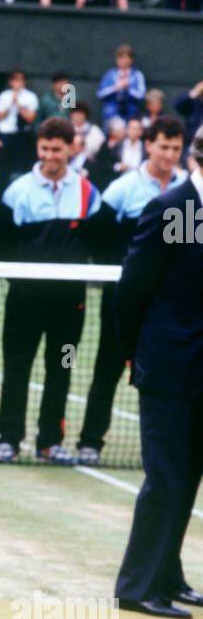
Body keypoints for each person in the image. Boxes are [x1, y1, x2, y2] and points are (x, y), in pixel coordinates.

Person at [113, 129, 203, 619]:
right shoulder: (173, 207)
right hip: (168, 365)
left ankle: (167, 576)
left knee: (188, 476)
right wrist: (134, 353)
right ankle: (136, 586)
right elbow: (133, 288)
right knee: (165, 478)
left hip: (197, 369)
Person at [77, 117, 186, 466]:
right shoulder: (122, 188)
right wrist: (127, 273)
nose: (169, 154)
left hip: (171, 304)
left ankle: (174, 448)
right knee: (108, 366)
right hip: (125, 297)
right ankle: (90, 441)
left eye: (175, 148)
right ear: (148, 145)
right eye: (163, 146)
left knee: (176, 372)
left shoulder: (188, 190)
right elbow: (97, 237)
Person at [0, 117, 101, 465]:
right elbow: (3, 244)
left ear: (71, 149)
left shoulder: (88, 192)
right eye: (45, 149)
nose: (51, 156)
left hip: (70, 306)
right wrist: (25, 283)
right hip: (24, 303)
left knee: (61, 369)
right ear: (38, 148)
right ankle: (8, 439)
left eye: (57, 149)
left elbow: (95, 241)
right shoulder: (17, 192)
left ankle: (50, 441)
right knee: (17, 369)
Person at [0, 68, 38, 185]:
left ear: (24, 82)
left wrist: (18, 104)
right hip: (5, 135)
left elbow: (30, 118)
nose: (17, 83)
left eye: (20, 80)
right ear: (10, 82)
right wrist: (10, 103)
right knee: (2, 166)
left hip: (21, 136)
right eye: (15, 80)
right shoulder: (4, 96)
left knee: (19, 167)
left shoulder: (30, 97)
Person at [97, 44, 146, 125]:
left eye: (125, 58)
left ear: (131, 60)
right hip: (112, 112)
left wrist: (128, 88)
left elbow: (141, 95)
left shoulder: (137, 75)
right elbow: (100, 94)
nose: (122, 61)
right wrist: (114, 88)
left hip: (131, 112)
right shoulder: (109, 74)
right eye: (120, 58)